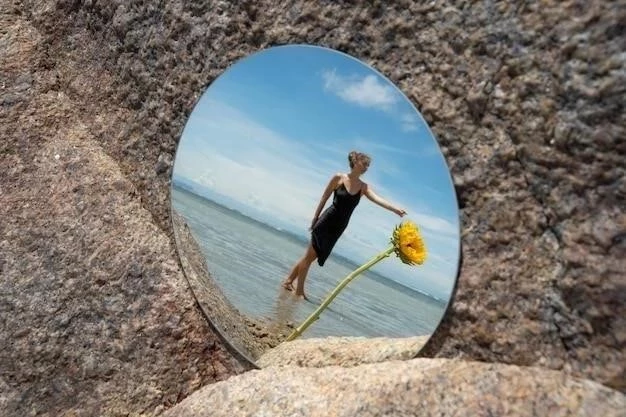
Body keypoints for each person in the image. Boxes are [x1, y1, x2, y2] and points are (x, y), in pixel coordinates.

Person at [281, 151, 406, 299]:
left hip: (339, 227)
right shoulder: (338, 178)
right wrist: (315, 218)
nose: (366, 167)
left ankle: (289, 281)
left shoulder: (363, 187)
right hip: (326, 221)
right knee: (309, 256)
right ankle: (299, 291)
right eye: (364, 163)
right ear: (355, 161)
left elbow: (378, 199)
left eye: (368, 165)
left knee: (312, 256)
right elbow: (324, 198)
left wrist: (395, 209)